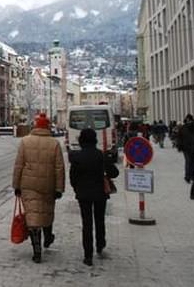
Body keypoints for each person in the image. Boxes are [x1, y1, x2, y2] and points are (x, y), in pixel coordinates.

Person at [12, 113, 65, 263]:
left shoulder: (25, 141)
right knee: (46, 212)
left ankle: (37, 250)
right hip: (48, 184)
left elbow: (19, 165)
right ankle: (48, 237)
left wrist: (16, 185)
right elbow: (59, 168)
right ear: (47, 126)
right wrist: (59, 188)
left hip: (28, 185)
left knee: (33, 215)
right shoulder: (54, 143)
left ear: (35, 126)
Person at [69, 128, 119, 267]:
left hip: (83, 194)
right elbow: (114, 172)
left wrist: (77, 188)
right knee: (99, 219)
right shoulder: (101, 155)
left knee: (86, 223)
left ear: (81, 140)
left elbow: (73, 177)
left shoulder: (76, 157)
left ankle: (88, 255)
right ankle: (100, 244)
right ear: (95, 140)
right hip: (100, 193)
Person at [178, 114, 194, 183]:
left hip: (189, 147)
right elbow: (179, 138)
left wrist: (180, 146)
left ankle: (189, 176)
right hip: (190, 147)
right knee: (192, 162)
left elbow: (179, 138)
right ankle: (191, 176)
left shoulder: (183, 127)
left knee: (190, 162)